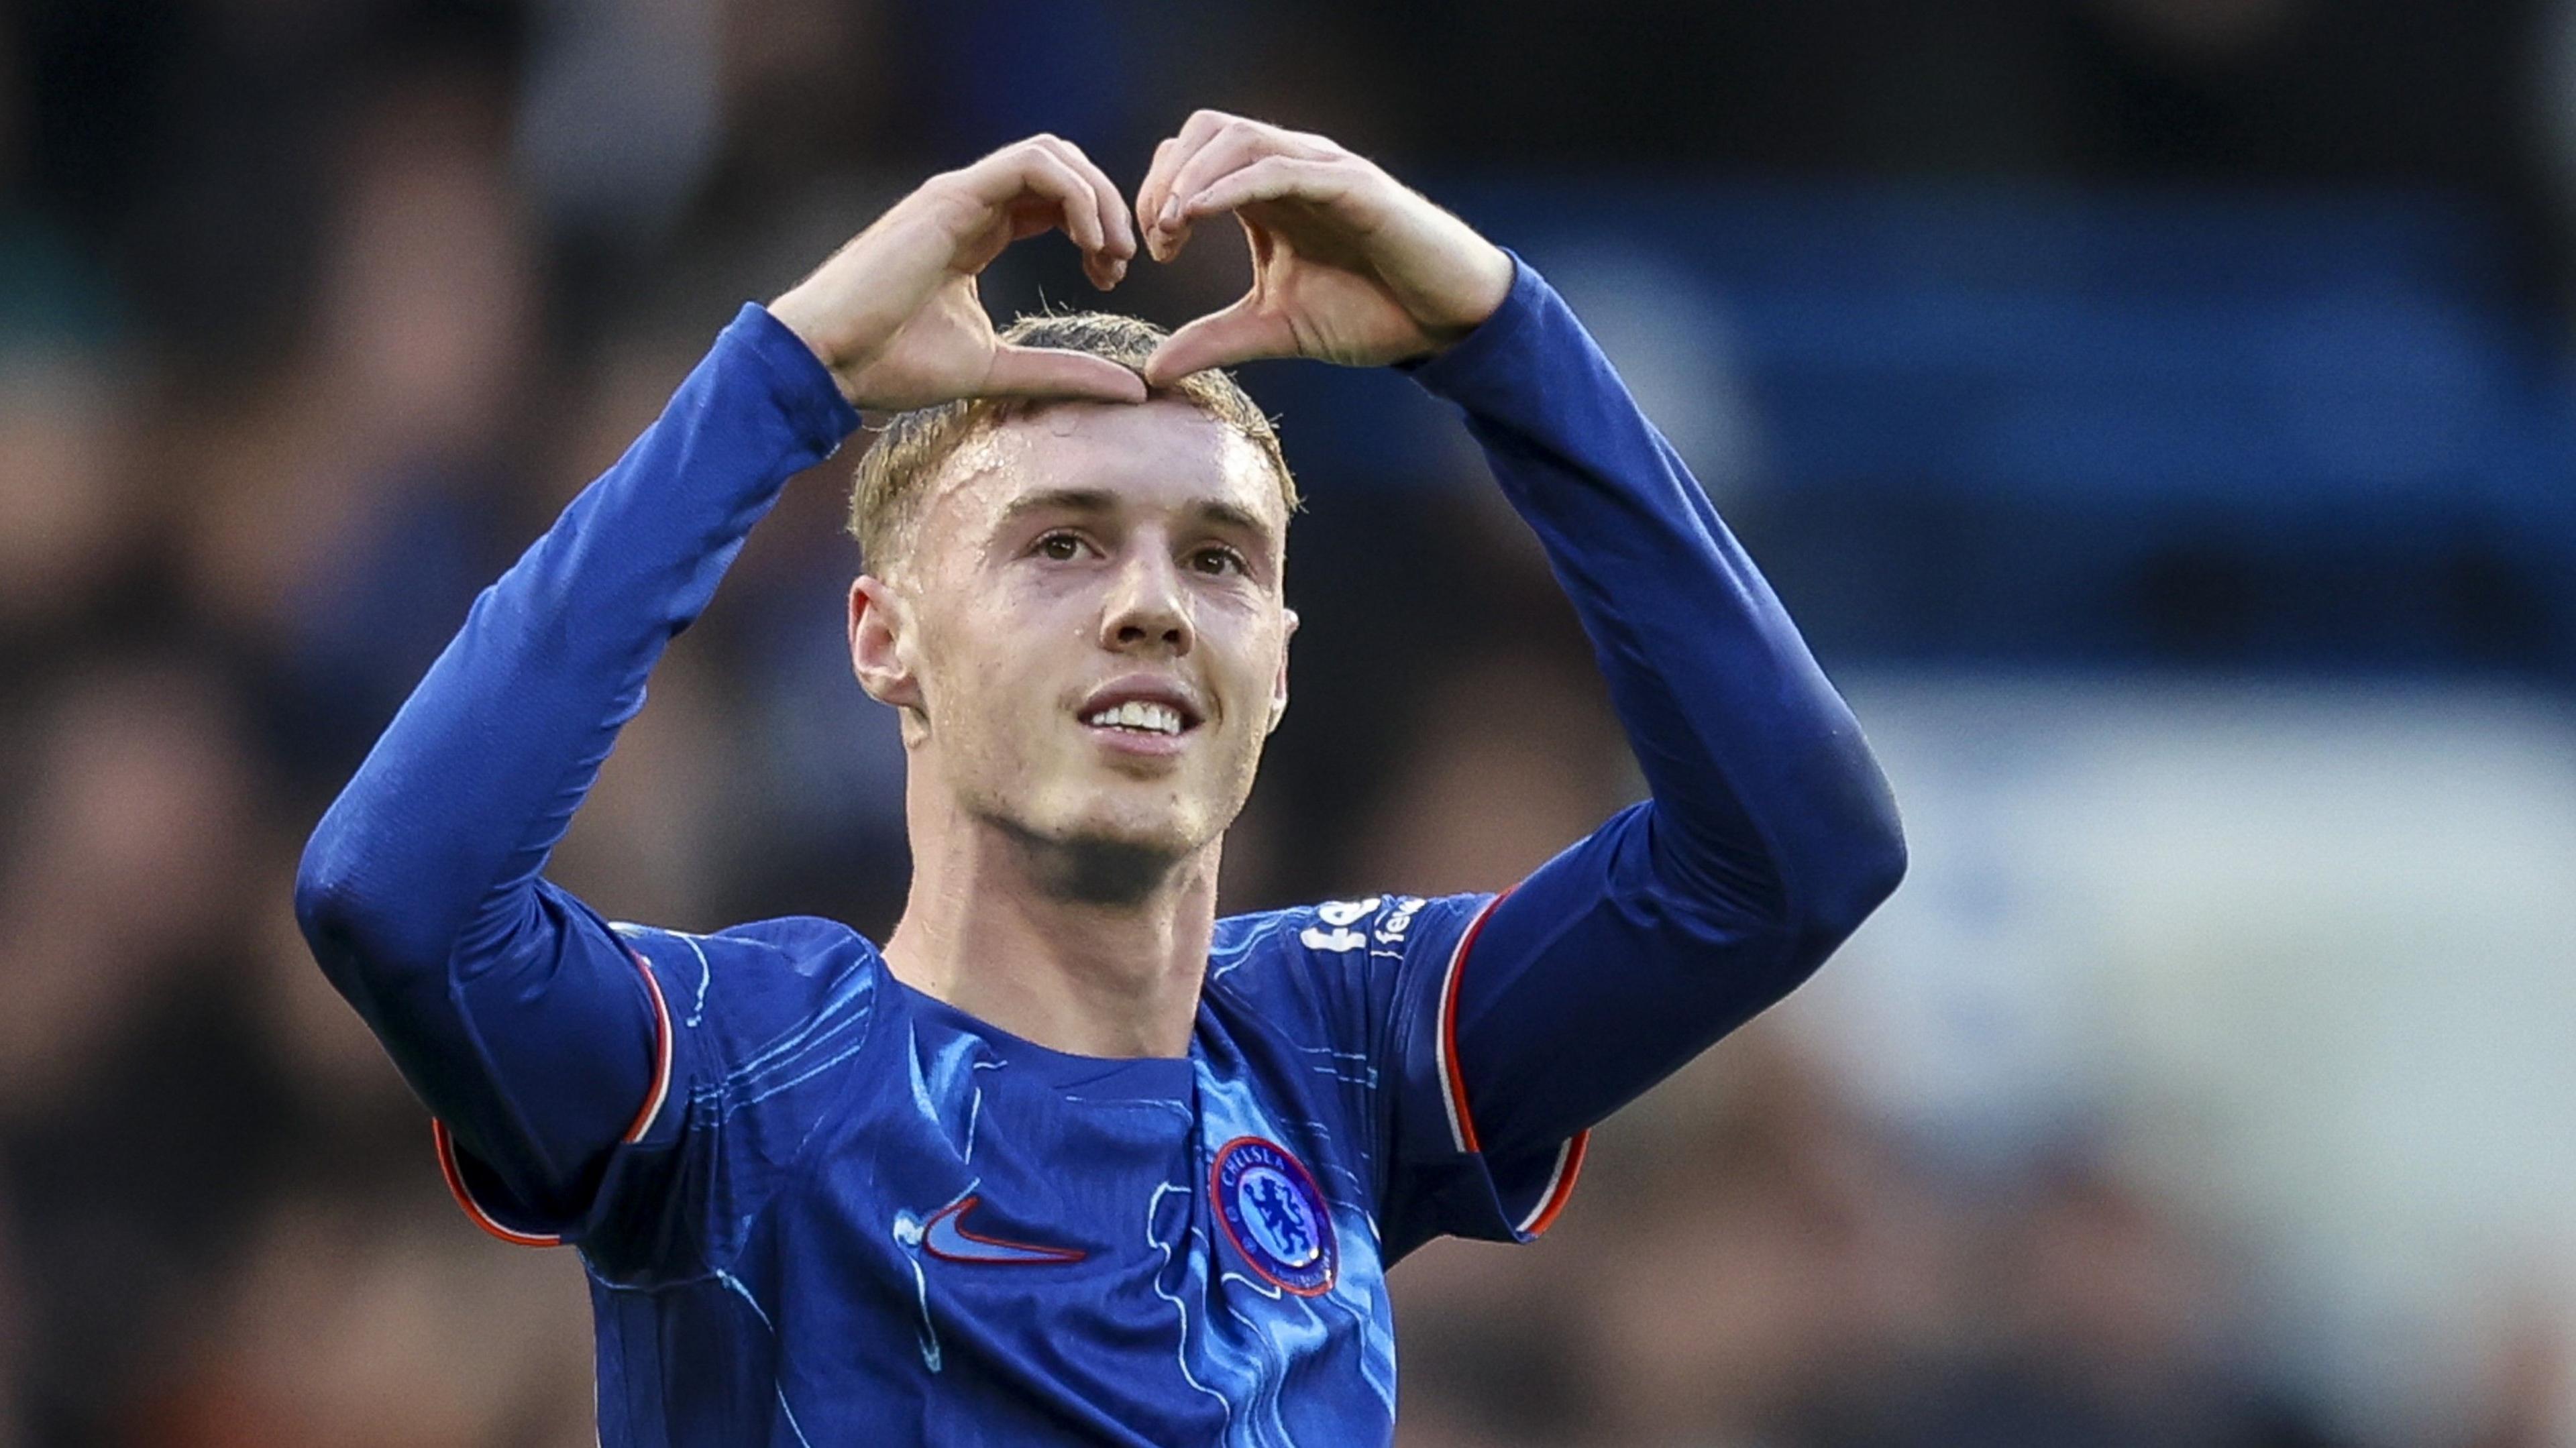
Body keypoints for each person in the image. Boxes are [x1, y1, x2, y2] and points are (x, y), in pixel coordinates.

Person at [294, 111, 1906, 1446]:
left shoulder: (1340, 1054)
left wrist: (1502, 341)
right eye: (1060, 542)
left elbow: (1791, 858)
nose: (1149, 600)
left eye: (1217, 558)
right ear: (884, 639)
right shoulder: (744, 1073)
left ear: (1275, 659)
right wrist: (780, 386)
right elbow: (402, 902)